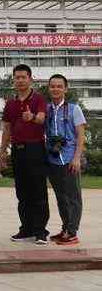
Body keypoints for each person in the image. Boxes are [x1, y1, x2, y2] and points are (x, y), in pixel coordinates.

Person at [0, 64, 49, 244]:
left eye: (23, 77)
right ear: (14, 80)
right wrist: (3, 152)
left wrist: (33, 117)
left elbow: (42, 118)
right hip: (17, 151)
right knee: (22, 193)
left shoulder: (38, 99)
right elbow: (6, 129)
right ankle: (26, 228)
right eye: (17, 77)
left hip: (35, 149)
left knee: (38, 191)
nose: (20, 80)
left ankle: (40, 231)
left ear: (30, 79)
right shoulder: (11, 103)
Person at [45, 74, 86, 245]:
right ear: (49, 89)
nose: (55, 89)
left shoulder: (74, 109)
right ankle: (65, 229)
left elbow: (81, 135)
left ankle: (73, 232)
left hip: (70, 159)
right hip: (53, 160)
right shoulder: (46, 109)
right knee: (61, 197)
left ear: (65, 89)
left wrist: (77, 157)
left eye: (59, 86)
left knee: (73, 197)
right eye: (52, 86)